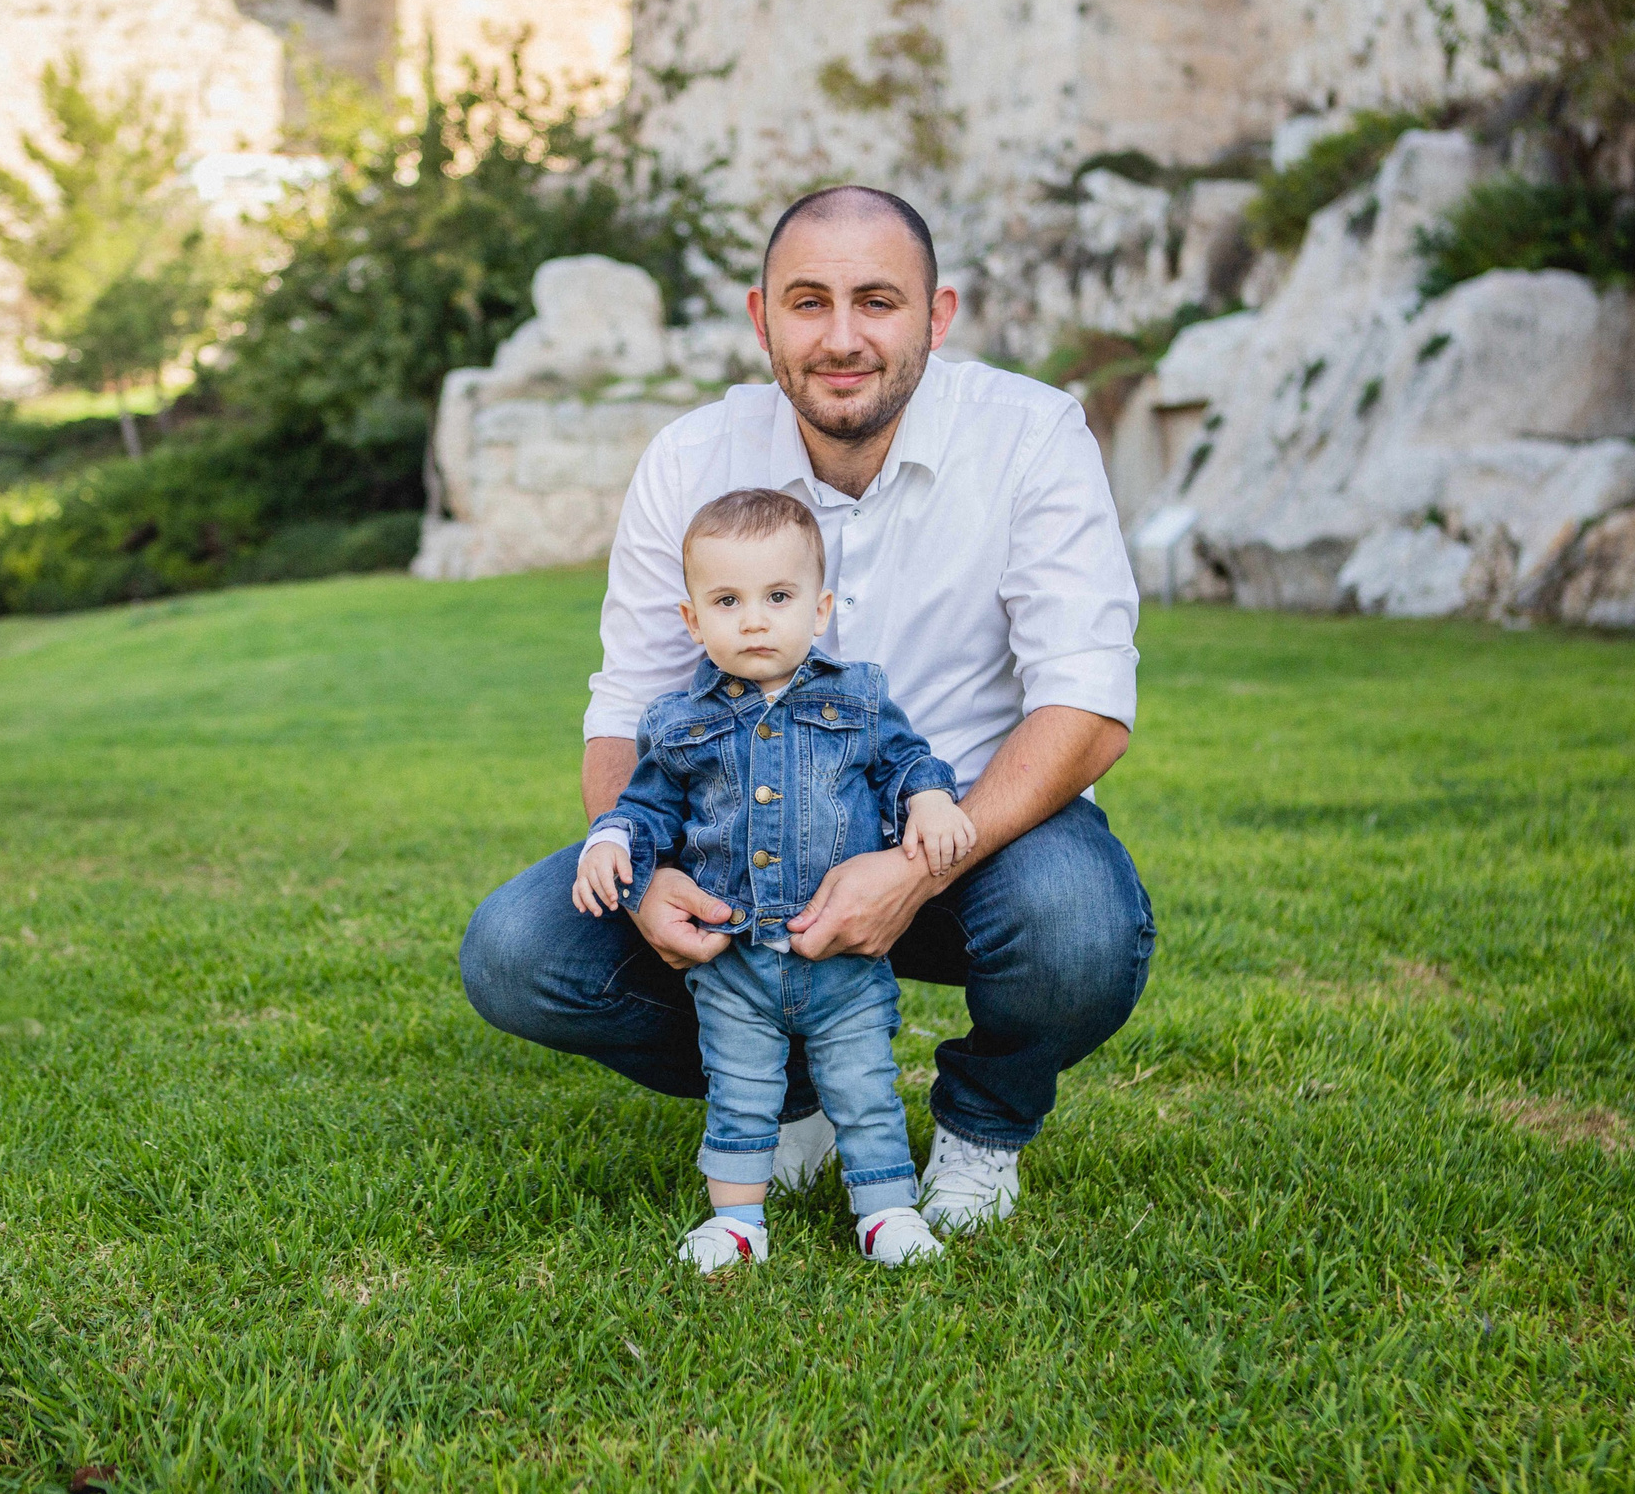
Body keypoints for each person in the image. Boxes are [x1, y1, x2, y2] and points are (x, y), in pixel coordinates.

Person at [462, 183, 1153, 1236]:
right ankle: (791, 1092)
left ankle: (983, 1125)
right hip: (737, 846)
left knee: (1079, 927)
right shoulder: (690, 457)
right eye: (808, 302)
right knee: (518, 948)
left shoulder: (1031, 434)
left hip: (971, 835)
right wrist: (640, 873)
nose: (840, 339)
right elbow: (629, 703)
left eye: (876, 301)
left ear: (937, 316)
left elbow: (1087, 701)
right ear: (761, 318)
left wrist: (914, 868)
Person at [574, 487, 977, 1271]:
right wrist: (612, 840)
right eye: (727, 600)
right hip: (734, 961)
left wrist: (929, 798)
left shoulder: (857, 697)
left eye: (779, 597)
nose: (754, 620)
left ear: (820, 610)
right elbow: (646, 807)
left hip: (842, 958)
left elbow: (905, 761)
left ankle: (886, 1211)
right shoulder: (678, 723)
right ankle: (735, 1221)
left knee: (865, 1085)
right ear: (693, 620)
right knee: (739, 1091)